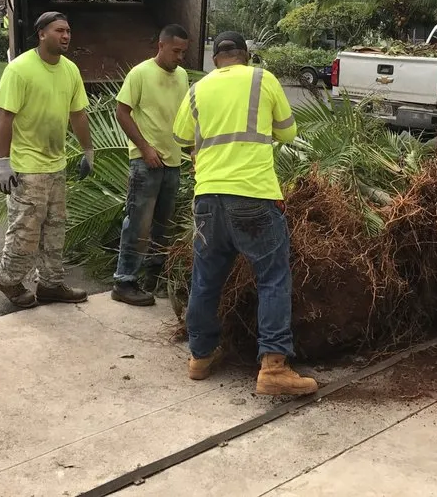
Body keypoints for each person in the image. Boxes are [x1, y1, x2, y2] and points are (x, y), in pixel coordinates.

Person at [172, 31, 318, 397]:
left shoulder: (198, 88)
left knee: (206, 280)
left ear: (215, 59)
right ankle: (273, 367)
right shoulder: (262, 79)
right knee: (272, 277)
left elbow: (179, 137)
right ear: (246, 55)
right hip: (253, 195)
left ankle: (200, 358)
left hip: (207, 197)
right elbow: (287, 133)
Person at [0, 11, 93, 308]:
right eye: (59, 30)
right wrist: (2, 162)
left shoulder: (70, 70)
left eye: (68, 31)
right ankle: (8, 280)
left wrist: (88, 150)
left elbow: (78, 114)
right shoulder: (20, 70)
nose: (66, 36)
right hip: (27, 169)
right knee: (25, 231)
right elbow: (4, 117)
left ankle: (51, 284)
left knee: (55, 229)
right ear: (41, 34)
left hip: (56, 165)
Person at [112, 24, 191, 306]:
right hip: (145, 163)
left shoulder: (182, 77)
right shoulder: (140, 73)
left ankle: (152, 279)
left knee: (163, 225)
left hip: (173, 162)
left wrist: (192, 150)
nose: (180, 57)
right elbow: (122, 113)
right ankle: (124, 281)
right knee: (138, 223)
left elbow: (183, 118)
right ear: (160, 46)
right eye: (175, 51)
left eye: (183, 52)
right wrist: (145, 148)